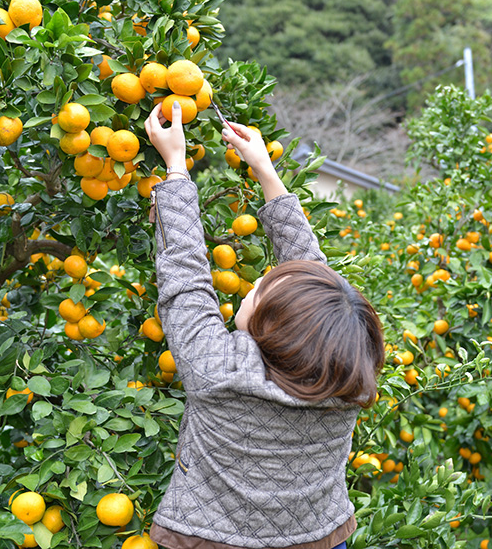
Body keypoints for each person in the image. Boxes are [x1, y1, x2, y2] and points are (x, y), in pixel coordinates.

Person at [144, 100, 385, 549]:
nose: (254, 284)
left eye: (261, 291)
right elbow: (315, 287)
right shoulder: (351, 370)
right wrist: (265, 172)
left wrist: (175, 169)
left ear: (273, 326)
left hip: (209, 540)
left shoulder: (217, 367)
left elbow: (186, 281)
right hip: (320, 538)